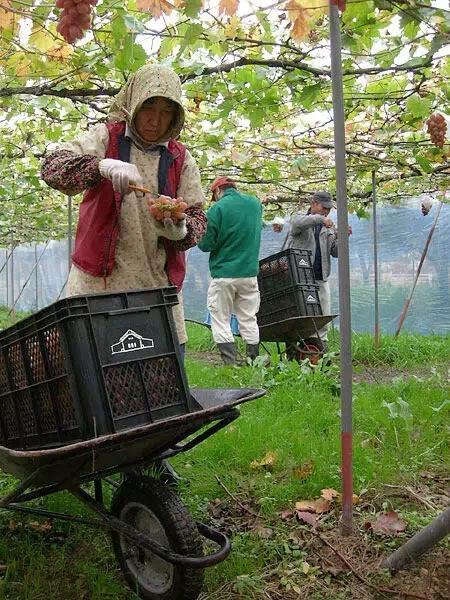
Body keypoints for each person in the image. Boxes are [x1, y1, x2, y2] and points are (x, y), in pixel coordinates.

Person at [41, 64, 207, 360]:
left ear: (176, 115)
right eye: (148, 107)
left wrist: (178, 229)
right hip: (98, 282)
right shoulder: (105, 138)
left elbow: (197, 219)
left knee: (161, 369)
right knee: (94, 365)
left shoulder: (181, 158)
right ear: (134, 102)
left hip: (155, 284)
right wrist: (101, 166)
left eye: (166, 111)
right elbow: (53, 168)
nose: (155, 120)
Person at [198, 177, 263, 365]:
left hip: (224, 274)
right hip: (249, 274)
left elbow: (206, 244)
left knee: (220, 318)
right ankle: (253, 360)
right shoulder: (255, 204)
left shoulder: (217, 209)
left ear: (218, 191)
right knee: (249, 317)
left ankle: (230, 363)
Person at [288, 191, 351, 346]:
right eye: (324, 207)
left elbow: (335, 252)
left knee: (323, 314)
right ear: (314, 203)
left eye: (329, 209)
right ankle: (297, 345)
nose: (327, 212)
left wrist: (342, 237)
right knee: (301, 314)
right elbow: (296, 223)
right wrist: (320, 220)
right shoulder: (300, 220)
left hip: (320, 278)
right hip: (300, 278)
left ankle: (320, 346)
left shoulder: (328, 228)